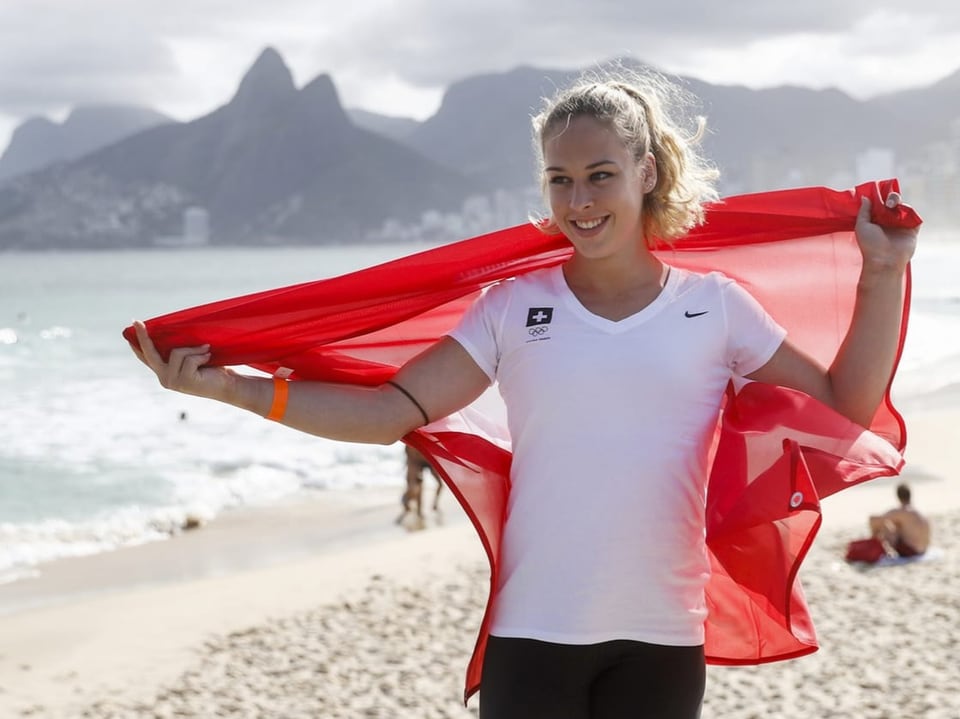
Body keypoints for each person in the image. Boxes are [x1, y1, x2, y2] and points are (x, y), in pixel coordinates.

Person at [129, 66, 918, 719]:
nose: (579, 201)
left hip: (663, 634)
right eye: (560, 179)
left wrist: (882, 274)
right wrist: (236, 389)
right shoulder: (511, 308)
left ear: (646, 172)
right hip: (534, 633)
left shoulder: (713, 308)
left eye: (600, 175)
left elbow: (844, 408)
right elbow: (387, 413)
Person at [869, 483, 930, 558]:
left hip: (911, 551)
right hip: (923, 550)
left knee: (884, 525)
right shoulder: (919, 512)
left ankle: (872, 545)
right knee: (897, 525)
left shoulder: (901, 511)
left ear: (898, 496)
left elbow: (874, 520)